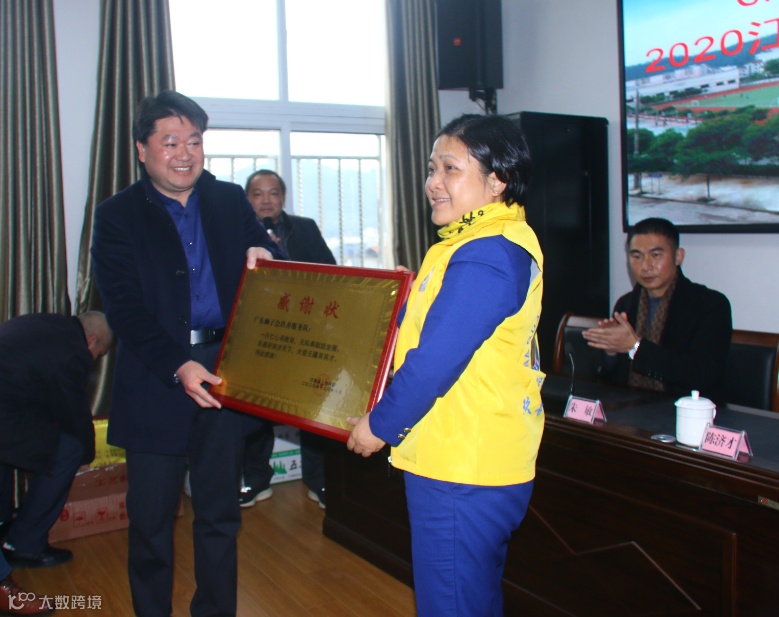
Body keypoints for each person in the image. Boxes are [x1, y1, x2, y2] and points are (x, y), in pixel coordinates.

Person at [90, 90, 284, 617]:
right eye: (170, 141)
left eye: (194, 141)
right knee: (151, 522)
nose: (184, 154)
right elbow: (124, 310)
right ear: (142, 149)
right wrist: (177, 364)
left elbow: (272, 256)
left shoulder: (228, 200)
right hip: (156, 378)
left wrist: (267, 252)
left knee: (220, 515)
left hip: (222, 375)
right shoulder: (116, 215)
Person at [346, 114, 545, 617]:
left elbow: (434, 361)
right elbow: (434, 332)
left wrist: (379, 426)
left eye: (450, 169)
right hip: (463, 455)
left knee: (452, 605)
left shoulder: (488, 254)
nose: (434, 182)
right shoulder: (468, 243)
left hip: (464, 465)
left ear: (497, 180)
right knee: (468, 600)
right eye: (432, 169)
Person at [0, 311, 111, 615]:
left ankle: (4, 522)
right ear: (91, 340)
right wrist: (88, 456)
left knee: (10, 448)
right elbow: (74, 412)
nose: (94, 361)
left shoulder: (49, 324)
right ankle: (24, 545)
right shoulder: (74, 351)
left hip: (7, 401)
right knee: (68, 451)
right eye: (98, 354)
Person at [240, 170, 337, 509]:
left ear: (283, 198)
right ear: (247, 199)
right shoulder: (238, 231)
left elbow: (330, 271)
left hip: (305, 331)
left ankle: (317, 480)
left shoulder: (304, 227)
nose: (266, 200)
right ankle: (256, 480)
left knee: (311, 408)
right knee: (256, 411)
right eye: (257, 194)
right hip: (259, 333)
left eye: (273, 193)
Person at [582, 217, 732, 402]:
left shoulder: (710, 305)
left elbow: (702, 374)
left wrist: (635, 346)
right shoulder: (626, 304)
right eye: (637, 256)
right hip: (630, 408)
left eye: (655, 255)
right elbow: (609, 378)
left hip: (686, 411)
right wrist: (610, 351)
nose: (646, 266)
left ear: (678, 256)